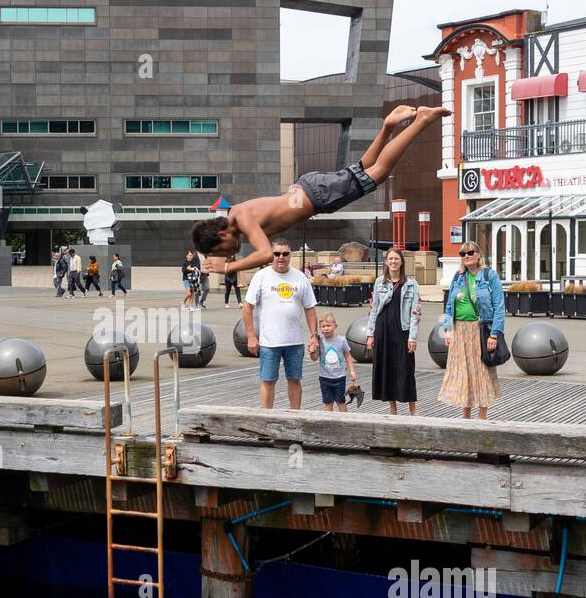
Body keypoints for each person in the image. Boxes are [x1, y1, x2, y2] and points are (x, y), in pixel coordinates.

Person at [193, 104, 450, 276]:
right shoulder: (240, 219)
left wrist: (228, 268)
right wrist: (226, 261)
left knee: (378, 173)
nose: (228, 253)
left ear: (222, 235)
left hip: (315, 196)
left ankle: (421, 121)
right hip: (309, 188)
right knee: (362, 169)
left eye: (222, 250)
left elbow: (265, 253)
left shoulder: (241, 218)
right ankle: (388, 126)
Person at [244, 238, 318, 410]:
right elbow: (247, 307)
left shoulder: (300, 277)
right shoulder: (261, 276)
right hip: (270, 342)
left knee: (294, 380)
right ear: (272, 255)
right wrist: (250, 336)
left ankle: (295, 419)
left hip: (294, 341)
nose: (281, 257)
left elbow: (310, 308)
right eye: (277, 253)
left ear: (290, 255)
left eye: (285, 254)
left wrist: (314, 335)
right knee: (268, 381)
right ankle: (266, 421)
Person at [438, 241, 505, 419]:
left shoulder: (489, 275)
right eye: (462, 253)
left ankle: (482, 415)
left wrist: (494, 334)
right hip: (460, 330)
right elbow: (449, 306)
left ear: (478, 254)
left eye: (470, 252)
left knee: (482, 371)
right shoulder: (458, 276)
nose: (466, 256)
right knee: (463, 372)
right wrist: (447, 329)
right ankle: (465, 414)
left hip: (480, 329)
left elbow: (499, 306)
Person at [365, 247, 420, 416]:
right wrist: (370, 333)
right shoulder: (380, 282)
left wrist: (413, 337)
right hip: (383, 330)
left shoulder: (411, 284)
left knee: (406, 369)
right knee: (387, 367)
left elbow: (415, 313)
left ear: (402, 261)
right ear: (386, 262)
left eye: (396, 259)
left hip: (402, 330)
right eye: (390, 259)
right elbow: (374, 310)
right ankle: (392, 409)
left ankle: (413, 411)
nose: (394, 262)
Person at [313, 313, 357, 412]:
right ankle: (328, 424)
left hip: (339, 377)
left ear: (335, 326)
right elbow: (315, 357)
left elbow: (348, 356)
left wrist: (352, 371)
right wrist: (312, 351)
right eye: (323, 326)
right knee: (327, 402)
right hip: (324, 377)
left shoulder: (342, 340)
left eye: (329, 326)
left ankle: (345, 422)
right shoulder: (319, 341)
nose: (326, 329)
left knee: (340, 401)